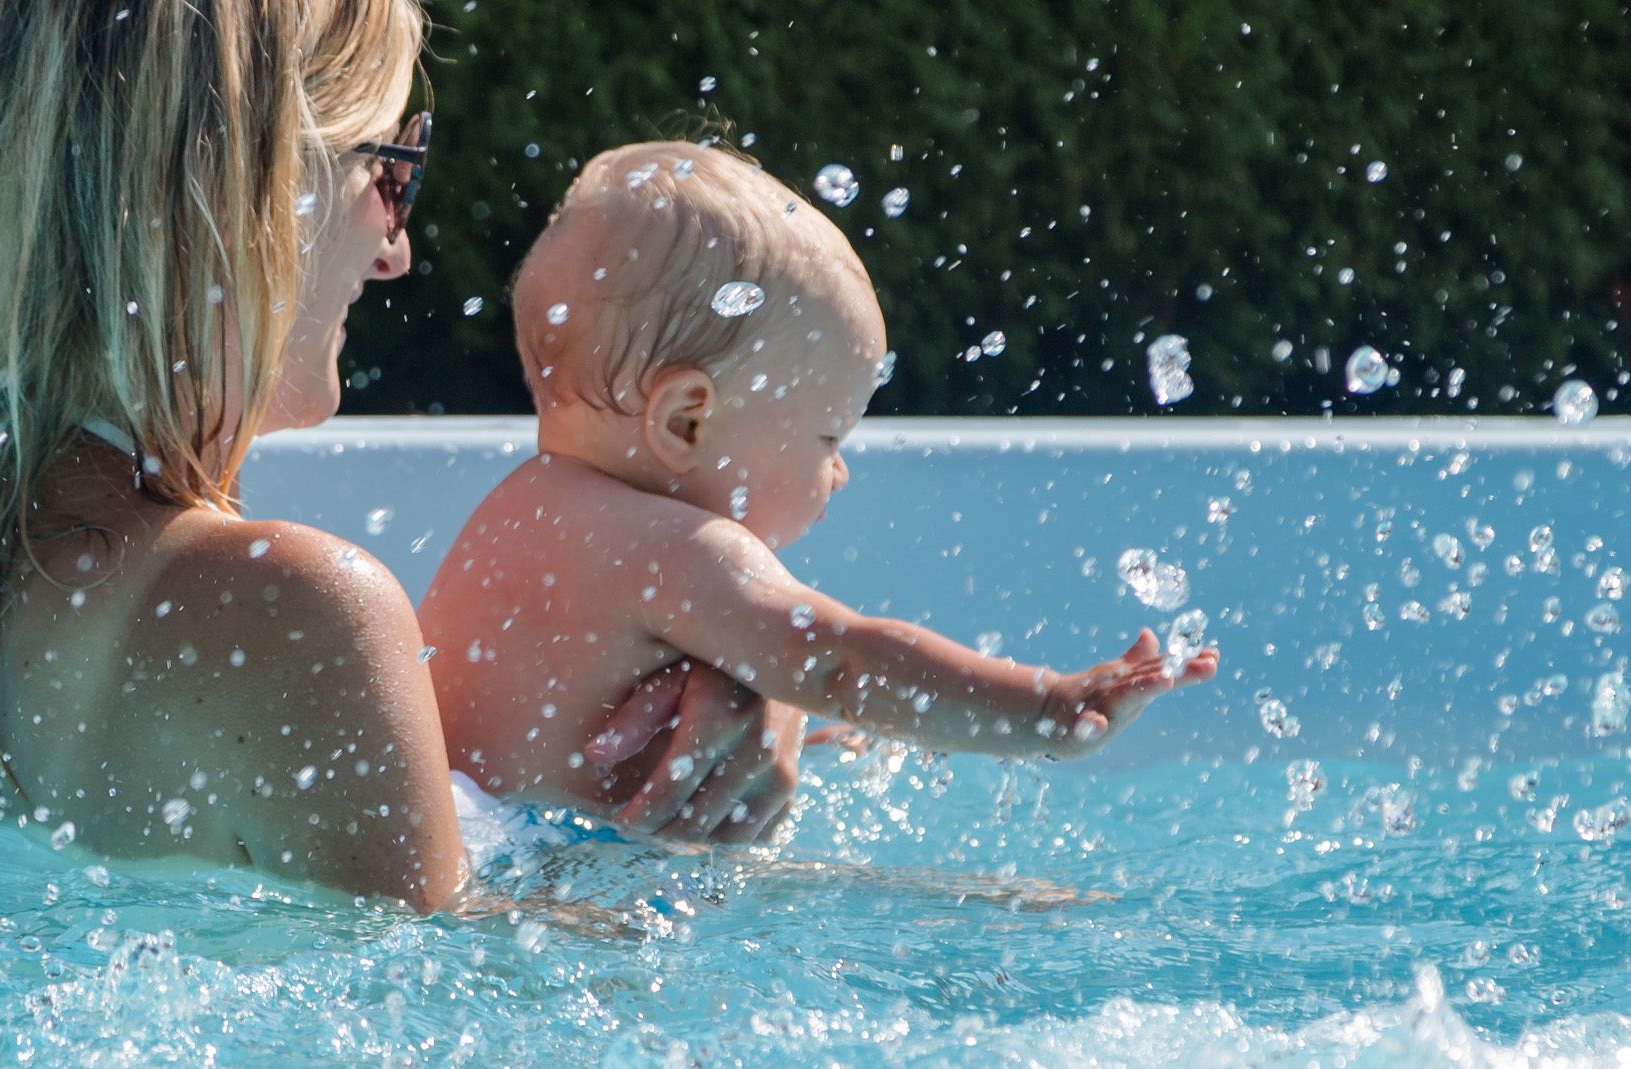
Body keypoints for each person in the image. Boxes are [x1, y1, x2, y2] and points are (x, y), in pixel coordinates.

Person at [0, 0, 794, 908]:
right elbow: (457, 1013)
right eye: (391, 173)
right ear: (237, 188)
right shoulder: (295, 607)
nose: (397, 250)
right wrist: (689, 865)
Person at [420, 141, 1212, 813]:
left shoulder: (515, 513)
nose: (840, 470)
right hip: (563, 904)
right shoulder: (677, 548)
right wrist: (1047, 706)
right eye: (828, 435)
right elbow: (844, 662)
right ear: (686, 420)